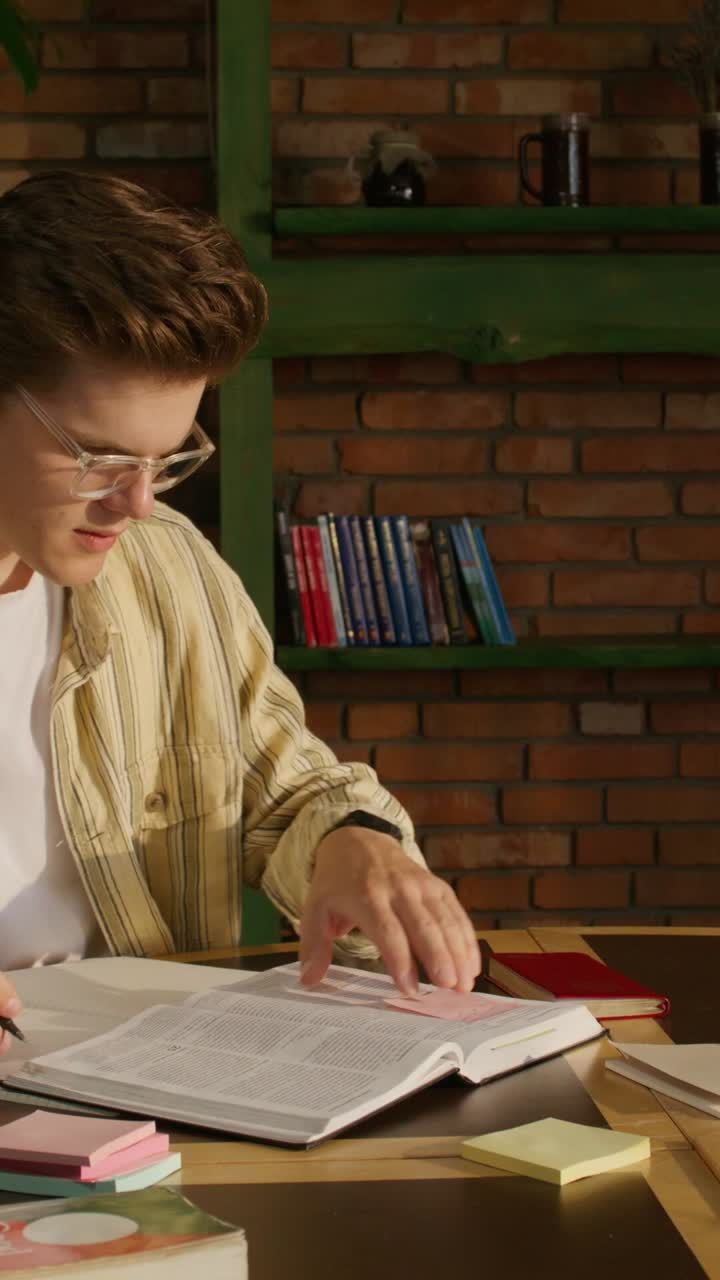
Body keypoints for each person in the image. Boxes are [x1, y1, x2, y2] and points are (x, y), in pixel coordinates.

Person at [0, 170, 480, 1048]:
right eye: (101, 459)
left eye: (170, 458)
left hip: (147, 1093)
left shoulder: (169, 564)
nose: (138, 504)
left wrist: (353, 841)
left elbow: (286, 787)